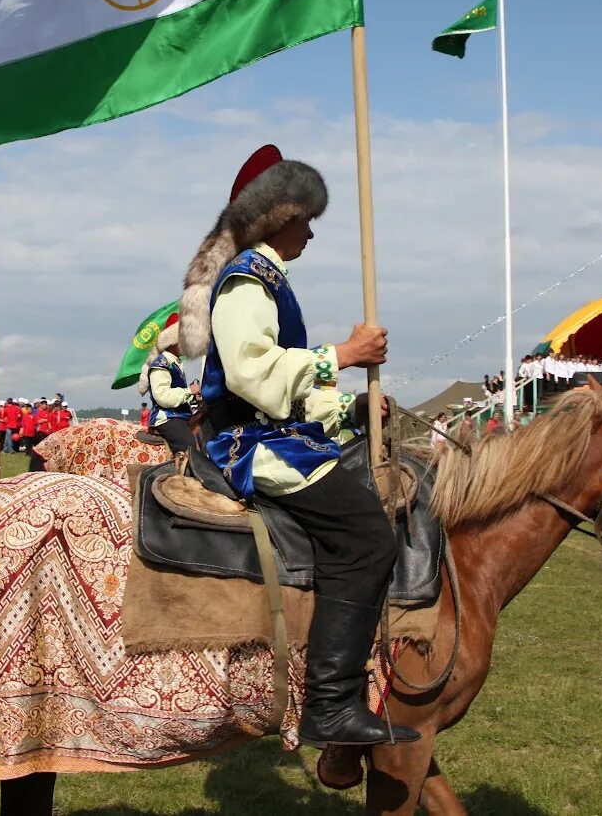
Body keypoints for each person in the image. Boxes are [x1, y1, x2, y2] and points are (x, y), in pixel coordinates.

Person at [178, 144, 416, 749]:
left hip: (274, 430)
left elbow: (292, 390)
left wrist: (351, 405)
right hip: (246, 444)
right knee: (366, 537)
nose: (311, 232)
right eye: (306, 220)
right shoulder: (247, 281)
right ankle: (330, 707)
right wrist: (344, 354)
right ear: (280, 218)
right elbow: (250, 374)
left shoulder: (272, 282)